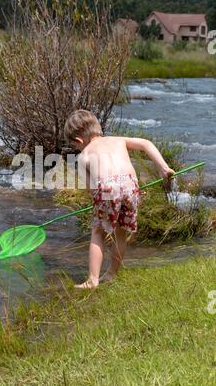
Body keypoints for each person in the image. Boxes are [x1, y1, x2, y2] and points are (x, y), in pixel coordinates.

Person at [64, 109, 175, 289]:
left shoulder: (84, 155)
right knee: (121, 232)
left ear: (79, 140)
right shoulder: (118, 140)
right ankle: (112, 274)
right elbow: (146, 144)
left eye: (76, 146)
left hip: (106, 188)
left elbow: (90, 189)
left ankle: (93, 279)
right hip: (130, 184)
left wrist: (99, 200)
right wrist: (163, 168)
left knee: (98, 232)